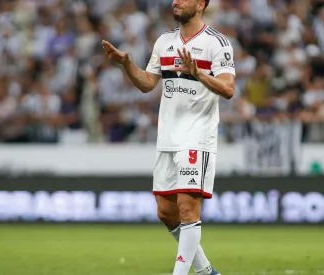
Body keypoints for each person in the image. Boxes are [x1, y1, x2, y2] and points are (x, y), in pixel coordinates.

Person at [102, 1, 236, 274]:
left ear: (200, 4)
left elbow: (229, 89)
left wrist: (198, 74)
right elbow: (147, 84)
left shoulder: (217, 43)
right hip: (168, 136)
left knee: (188, 208)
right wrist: (126, 65)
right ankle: (206, 271)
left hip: (197, 135)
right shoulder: (164, 41)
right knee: (165, 211)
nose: (176, 1)